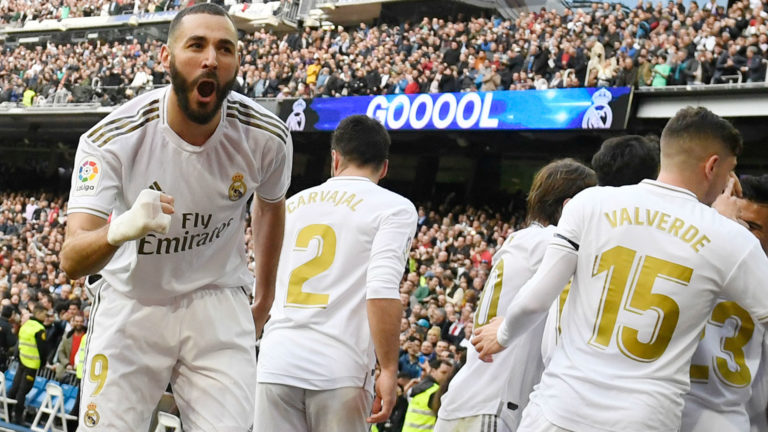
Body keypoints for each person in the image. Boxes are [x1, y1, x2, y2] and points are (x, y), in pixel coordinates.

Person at [59, 4, 292, 431]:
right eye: (196, 45)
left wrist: (265, 296)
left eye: (225, 48)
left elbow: (271, 203)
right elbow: (72, 259)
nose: (211, 59)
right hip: (133, 300)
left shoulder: (267, 135)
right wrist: (119, 230)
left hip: (216, 299)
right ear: (166, 58)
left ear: (237, 62)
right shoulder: (111, 139)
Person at [473, 106, 768, 432]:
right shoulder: (732, 239)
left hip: (558, 407)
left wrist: (503, 334)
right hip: (641, 419)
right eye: (730, 170)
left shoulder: (589, 202)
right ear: (712, 166)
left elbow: (536, 299)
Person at [254, 115, 416, 432]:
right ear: (384, 167)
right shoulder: (394, 208)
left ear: (335, 158)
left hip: (276, 361)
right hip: (339, 367)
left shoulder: (292, 204)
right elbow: (381, 290)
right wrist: (388, 368)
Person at [436, 159, 597, 432]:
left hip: (473, 398)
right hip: (495, 405)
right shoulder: (553, 242)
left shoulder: (526, 239)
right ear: (570, 206)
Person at [682, 174, 768, 432]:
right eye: (732, 221)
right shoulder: (683, 260)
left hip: (740, 419)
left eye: (750, 226)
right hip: (670, 416)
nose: (738, 230)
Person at [8, 306, 49, 425]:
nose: (46, 317)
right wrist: (42, 363)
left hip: (22, 361)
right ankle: (18, 418)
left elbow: (20, 344)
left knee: (15, 388)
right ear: (38, 313)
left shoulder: (25, 326)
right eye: (45, 314)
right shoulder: (39, 329)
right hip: (31, 365)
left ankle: (8, 412)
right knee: (23, 391)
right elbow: (42, 349)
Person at [403, 358, 455, 432]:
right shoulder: (435, 391)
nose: (447, 377)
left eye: (450, 374)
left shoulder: (418, 387)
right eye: (443, 372)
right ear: (433, 371)